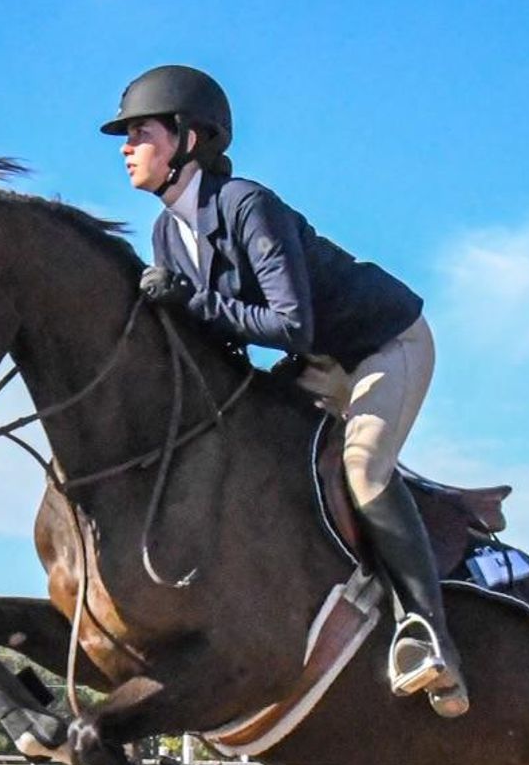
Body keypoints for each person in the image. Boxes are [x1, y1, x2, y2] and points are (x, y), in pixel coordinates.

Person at [101, 65, 468, 717]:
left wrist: (194, 302)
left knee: (363, 469)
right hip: (320, 358)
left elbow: (289, 325)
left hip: (384, 344)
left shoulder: (247, 205)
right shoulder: (166, 235)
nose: (126, 146)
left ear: (189, 138)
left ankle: (428, 633)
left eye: (140, 132)